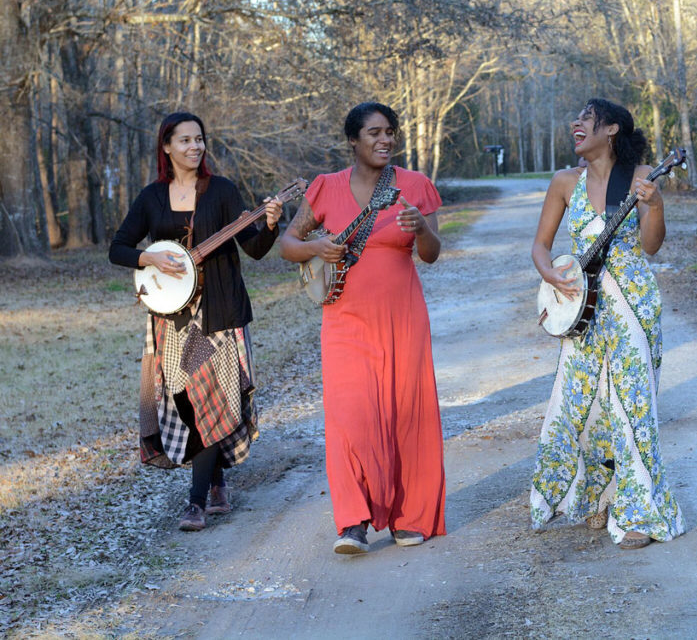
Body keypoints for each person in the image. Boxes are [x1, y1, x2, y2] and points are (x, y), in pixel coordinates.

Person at [279, 102, 445, 555]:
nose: (384, 140)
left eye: (390, 132)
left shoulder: (414, 186)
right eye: (374, 133)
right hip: (345, 318)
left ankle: (409, 517)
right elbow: (288, 244)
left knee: (405, 414)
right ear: (353, 140)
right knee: (351, 416)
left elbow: (431, 252)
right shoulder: (325, 187)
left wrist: (421, 229)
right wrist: (317, 245)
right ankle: (353, 522)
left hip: (403, 316)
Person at [109, 111, 282, 531]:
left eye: (199, 139)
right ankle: (218, 478)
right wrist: (148, 257)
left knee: (213, 399)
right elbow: (119, 248)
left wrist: (271, 224)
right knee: (185, 402)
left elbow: (254, 248)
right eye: (184, 140)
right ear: (166, 146)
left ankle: (196, 502)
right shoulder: (151, 197)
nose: (194, 146)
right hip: (171, 317)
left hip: (218, 315)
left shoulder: (221, 191)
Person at [530, 98, 685, 550]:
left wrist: (653, 206)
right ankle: (597, 495)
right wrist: (550, 274)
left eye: (586, 118)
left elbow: (652, 246)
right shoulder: (564, 182)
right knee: (583, 405)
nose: (576, 123)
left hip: (633, 304)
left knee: (632, 406)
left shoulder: (641, 177)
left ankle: (638, 512)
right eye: (574, 117)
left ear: (612, 129)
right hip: (583, 308)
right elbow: (540, 246)